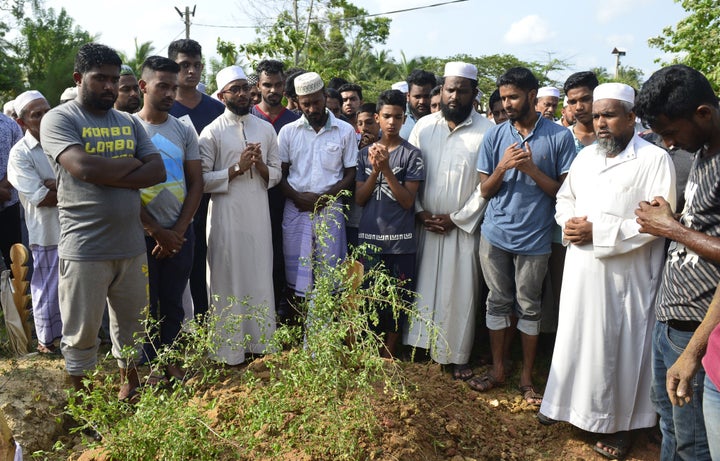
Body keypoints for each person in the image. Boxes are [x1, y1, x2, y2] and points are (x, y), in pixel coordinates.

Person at [538, 83, 676, 459]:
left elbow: (658, 222)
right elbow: (565, 198)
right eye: (597, 115)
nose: (600, 123)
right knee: (578, 339)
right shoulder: (585, 157)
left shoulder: (654, 159)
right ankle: (568, 407)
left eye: (609, 115)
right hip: (583, 267)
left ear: (632, 117)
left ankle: (620, 426)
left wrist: (599, 232)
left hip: (625, 274)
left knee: (620, 347)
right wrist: (568, 223)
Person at [40, 43, 166, 400]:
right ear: (80, 78)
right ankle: (84, 403)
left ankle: (130, 386)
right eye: (101, 79)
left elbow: (156, 171)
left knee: (131, 326)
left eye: (114, 79)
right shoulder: (60, 119)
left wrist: (104, 173)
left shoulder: (127, 121)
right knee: (81, 333)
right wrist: (131, 166)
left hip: (130, 244)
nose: (110, 87)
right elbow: (82, 167)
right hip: (84, 246)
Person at [473, 67, 575, 404]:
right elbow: (484, 191)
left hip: (535, 238)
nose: (507, 103)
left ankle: (527, 378)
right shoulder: (495, 136)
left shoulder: (559, 138)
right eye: (503, 98)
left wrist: (531, 169)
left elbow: (562, 192)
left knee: (529, 307)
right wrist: (502, 167)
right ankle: (498, 369)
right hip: (495, 234)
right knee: (497, 301)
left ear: (532, 96)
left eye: (513, 97)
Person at [634, 64, 720, 461]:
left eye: (671, 132)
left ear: (703, 113)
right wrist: (677, 219)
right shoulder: (703, 151)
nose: (667, 143)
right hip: (671, 320)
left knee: (694, 443)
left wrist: (672, 229)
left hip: (699, 329)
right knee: (668, 425)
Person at [404, 62, 493, 379]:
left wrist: (457, 218)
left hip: (462, 229)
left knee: (459, 293)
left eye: (462, 90)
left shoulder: (487, 131)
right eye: (449, 89)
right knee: (424, 289)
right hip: (424, 224)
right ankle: (420, 348)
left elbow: (487, 185)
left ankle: (456, 356)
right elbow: (406, 171)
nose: (454, 96)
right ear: (440, 91)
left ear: (474, 93)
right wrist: (419, 212)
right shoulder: (424, 127)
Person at [199, 65, 281, 365]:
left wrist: (258, 165)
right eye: (235, 89)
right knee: (227, 278)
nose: (243, 93)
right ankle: (228, 350)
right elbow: (203, 180)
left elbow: (277, 174)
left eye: (245, 88)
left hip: (258, 217)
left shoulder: (266, 129)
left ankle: (260, 346)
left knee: (259, 275)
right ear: (222, 95)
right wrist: (237, 168)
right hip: (226, 219)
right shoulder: (211, 133)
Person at [133, 56, 202, 381]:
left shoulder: (184, 129)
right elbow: (124, 189)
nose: (171, 93)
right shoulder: (128, 128)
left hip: (179, 234)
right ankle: (148, 366)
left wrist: (177, 231)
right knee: (144, 304)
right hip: (141, 234)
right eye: (163, 86)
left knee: (173, 301)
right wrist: (156, 230)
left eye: (174, 87)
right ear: (143, 86)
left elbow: (196, 182)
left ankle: (171, 360)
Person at [356, 89, 424, 358]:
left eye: (398, 117)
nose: (392, 122)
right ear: (377, 118)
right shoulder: (364, 155)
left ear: (404, 118)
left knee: (398, 300)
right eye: (387, 116)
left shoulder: (412, 155)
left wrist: (386, 170)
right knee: (370, 298)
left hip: (401, 242)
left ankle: (389, 352)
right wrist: (375, 170)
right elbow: (360, 198)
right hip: (370, 240)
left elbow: (408, 201)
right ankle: (370, 350)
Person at [278, 72, 357, 298]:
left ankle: (324, 332)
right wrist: (297, 197)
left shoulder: (345, 130)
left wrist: (326, 198)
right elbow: (279, 175)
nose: (312, 109)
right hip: (296, 209)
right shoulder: (288, 132)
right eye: (306, 104)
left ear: (324, 96)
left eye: (316, 102)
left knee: (330, 280)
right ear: (297, 103)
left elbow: (350, 173)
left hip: (330, 209)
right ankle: (301, 331)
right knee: (297, 282)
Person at [168, 38, 225, 321]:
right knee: (180, 266)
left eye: (196, 65)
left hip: (214, 199)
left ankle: (208, 320)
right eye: (183, 65)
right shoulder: (164, 109)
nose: (191, 71)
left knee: (210, 260)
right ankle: (179, 326)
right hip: (174, 200)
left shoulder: (217, 110)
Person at [6, 90, 61, 354]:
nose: (45, 118)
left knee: (76, 286)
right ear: (22, 122)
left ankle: (71, 335)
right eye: (36, 115)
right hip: (47, 230)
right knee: (47, 286)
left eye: (47, 111)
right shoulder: (20, 154)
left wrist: (57, 186)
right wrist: (69, 189)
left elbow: (90, 179)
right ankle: (46, 341)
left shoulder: (66, 141)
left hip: (79, 229)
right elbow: (41, 197)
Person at [250, 59, 301, 324]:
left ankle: (283, 314)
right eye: (267, 84)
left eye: (278, 84)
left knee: (282, 259)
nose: (273, 90)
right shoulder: (247, 118)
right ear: (258, 86)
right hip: (251, 200)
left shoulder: (294, 122)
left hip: (286, 201)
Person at [0, 109, 23, 270]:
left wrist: (3, 187)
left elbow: (19, 161)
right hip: (4, 195)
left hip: (8, 204)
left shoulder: (10, 125)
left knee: (15, 262)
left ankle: (16, 295)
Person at [564, 71, 599, 151]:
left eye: (585, 99)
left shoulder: (612, 136)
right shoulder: (561, 138)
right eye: (573, 102)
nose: (579, 107)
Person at [399, 69, 436, 139]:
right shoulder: (397, 118)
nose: (422, 101)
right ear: (408, 96)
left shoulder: (443, 120)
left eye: (426, 96)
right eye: (417, 97)